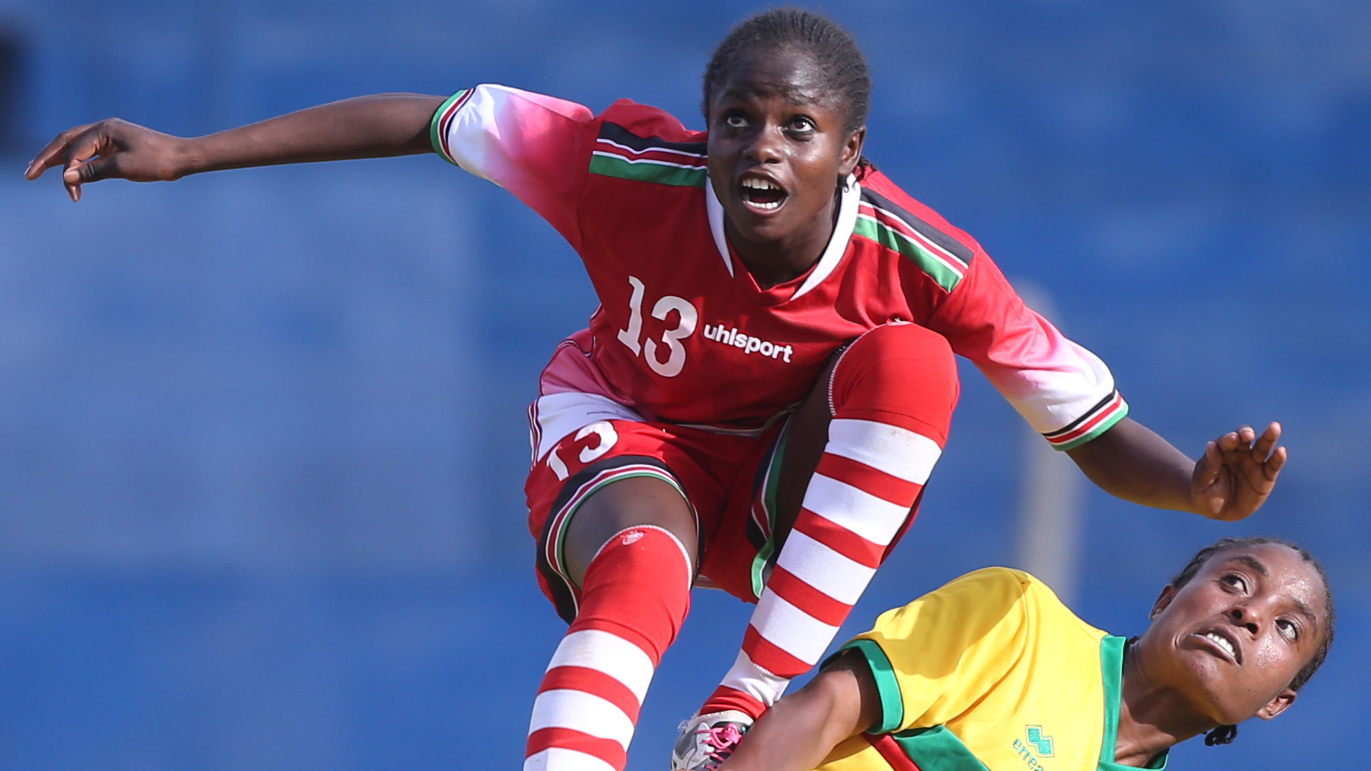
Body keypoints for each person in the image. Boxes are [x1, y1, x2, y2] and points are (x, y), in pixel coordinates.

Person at [26, 8, 1289, 771]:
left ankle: (742, 706)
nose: (761, 149)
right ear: (705, 127)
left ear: (852, 152)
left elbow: (1093, 428)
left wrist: (1195, 491)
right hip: (627, 440)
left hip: (780, 495)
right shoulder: (623, 165)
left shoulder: (925, 263)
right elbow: (428, 119)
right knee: (643, 568)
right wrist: (191, 152)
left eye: (797, 129)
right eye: (738, 121)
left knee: (910, 362)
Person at [711, 536, 1335, 771]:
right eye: (1234, 582)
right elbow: (822, 711)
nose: (1249, 614)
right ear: (1165, 599)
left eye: (1286, 626)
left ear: (1278, 703)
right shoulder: (1018, 616)